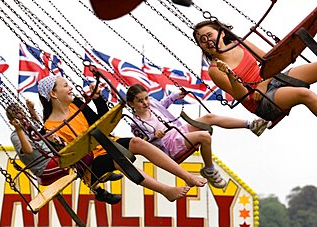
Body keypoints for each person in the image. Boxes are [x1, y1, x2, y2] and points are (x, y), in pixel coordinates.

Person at [37, 75, 208, 202]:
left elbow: (101, 122)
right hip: (90, 165)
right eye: (66, 85)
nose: (71, 88)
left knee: (137, 142)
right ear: (53, 93)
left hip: (106, 143)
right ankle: (166, 190)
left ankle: (186, 176)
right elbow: (70, 159)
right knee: (119, 159)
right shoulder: (50, 128)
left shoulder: (76, 105)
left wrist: (98, 100)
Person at [126, 84, 268, 188]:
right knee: (205, 136)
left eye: (146, 98)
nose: (145, 103)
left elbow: (163, 104)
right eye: (140, 101)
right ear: (131, 103)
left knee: (209, 117)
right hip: (169, 147)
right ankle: (209, 170)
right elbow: (144, 143)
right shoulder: (136, 123)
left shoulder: (152, 104)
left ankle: (251, 125)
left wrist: (175, 96)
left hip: (178, 131)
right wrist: (154, 136)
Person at [192, 20, 317, 122]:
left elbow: (271, 64)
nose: (208, 41)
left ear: (222, 33)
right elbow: (243, 97)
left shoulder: (240, 43)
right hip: (260, 101)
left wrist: (264, 83)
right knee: (304, 94)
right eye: (202, 40)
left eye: (209, 35)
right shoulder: (215, 70)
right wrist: (230, 75)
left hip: (271, 80)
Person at [6, 102, 123, 205]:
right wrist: (19, 129)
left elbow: (41, 127)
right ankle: (98, 182)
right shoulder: (15, 135)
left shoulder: (30, 127)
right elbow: (28, 150)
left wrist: (31, 110)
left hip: (53, 159)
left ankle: (100, 183)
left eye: (23, 117)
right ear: (13, 122)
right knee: (78, 156)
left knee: (80, 150)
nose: (23, 121)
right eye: (19, 119)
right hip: (44, 168)